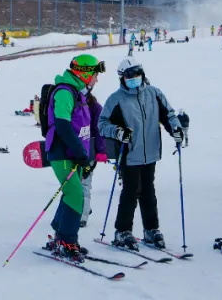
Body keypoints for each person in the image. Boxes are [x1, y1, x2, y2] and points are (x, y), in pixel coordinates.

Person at [99, 58, 184, 251]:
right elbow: (102, 124)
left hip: (151, 152)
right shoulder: (116, 99)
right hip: (129, 153)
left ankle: (151, 229)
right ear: (122, 78)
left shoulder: (154, 94)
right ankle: (122, 230)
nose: (134, 79)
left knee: (148, 191)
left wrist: (176, 129)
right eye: (129, 76)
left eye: (137, 74)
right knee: (131, 191)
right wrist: (118, 132)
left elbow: (169, 115)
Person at [41, 54, 106, 259]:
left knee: (72, 194)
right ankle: (68, 242)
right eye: (95, 74)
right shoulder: (64, 92)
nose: (97, 79)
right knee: (76, 196)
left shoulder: (79, 93)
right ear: (85, 73)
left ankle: (61, 237)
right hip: (63, 153)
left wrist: (87, 154)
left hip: (75, 153)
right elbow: (62, 124)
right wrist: (80, 153)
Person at [79, 86, 109, 229]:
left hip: (88, 151)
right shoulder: (71, 105)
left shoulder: (95, 107)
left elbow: (99, 130)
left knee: (84, 183)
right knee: (73, 184)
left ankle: (82, 215)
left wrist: (101, 150)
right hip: (73, 151)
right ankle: (80, 208)